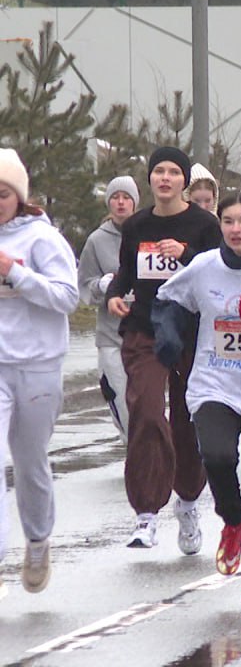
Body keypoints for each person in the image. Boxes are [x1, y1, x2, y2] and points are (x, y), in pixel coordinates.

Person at [153, 191, 241, 608]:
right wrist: (170, 334)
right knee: (216, 454)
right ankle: (232, 518)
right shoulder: (204, 267)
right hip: (215, 384)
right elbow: (170, 300)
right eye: (228, 221)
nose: (235, 229)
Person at [106, 146, 221, 550]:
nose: (166, 178)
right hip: (144, 330)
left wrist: (185, 255)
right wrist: (115, 296)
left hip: (191, 332)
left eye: (174, 171)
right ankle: (146, 513)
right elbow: (126, 273)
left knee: (188, 421)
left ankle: (188, 501)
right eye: (159, 171)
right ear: (150, 179)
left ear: (184, 180)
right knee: (147, 410)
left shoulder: (204, 223)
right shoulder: (136, 224)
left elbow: (216, 272)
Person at [0, 148, 79, 595]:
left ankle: (37, 540)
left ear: (18, 196)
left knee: (29, 463)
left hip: (37, 366)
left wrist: (16, 274)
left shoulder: (41, 239)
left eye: (3, 193)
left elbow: (68, 298)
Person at [78, 176, 139, 444]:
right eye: (115, 197)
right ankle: (132, 445)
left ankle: (147, 452)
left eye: (126, 197)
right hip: (110, 334)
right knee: (119, 394)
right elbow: (84, 286)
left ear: (135, 202)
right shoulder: (96, 240)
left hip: (146, 331)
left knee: (146, 400)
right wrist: (101, 285)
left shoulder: (148, 231)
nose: (121, 202)